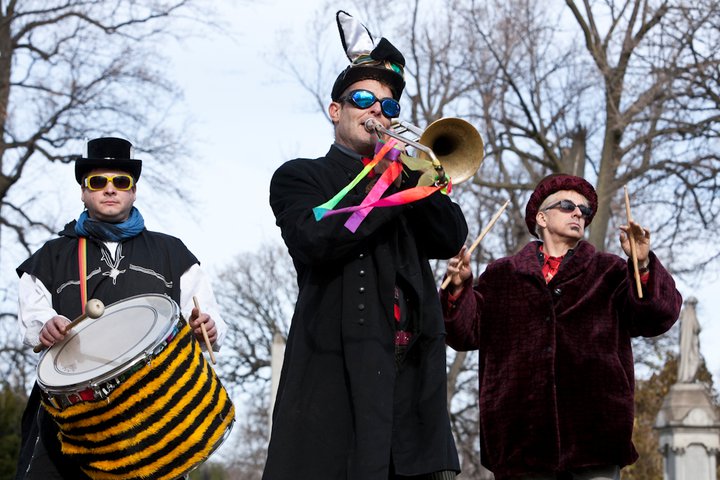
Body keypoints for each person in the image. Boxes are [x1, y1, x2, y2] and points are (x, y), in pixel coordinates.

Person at [263, 11, 467, 480]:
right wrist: (386, 184)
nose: (378, 112)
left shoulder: (407, 179)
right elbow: (315, 239)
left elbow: (450, 236)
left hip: (409, 377)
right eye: (363, 100)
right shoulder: (300, 176)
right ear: (336, 110)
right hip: (335, 373)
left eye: (389, 106)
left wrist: (415, 172)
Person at [441, 174, 682, 480]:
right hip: (519, 444)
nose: (579, 212)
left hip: (595, 441)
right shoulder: (501, 275)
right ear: (541, 217)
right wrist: (457, 290)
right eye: (568, 205)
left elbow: (658, 316)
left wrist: (642, 264)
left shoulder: (609, 271)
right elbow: (463, 333)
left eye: (585, 210)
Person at [15, 137, 227, 480]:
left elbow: (208, 316)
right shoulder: (50, 256)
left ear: (133, 191)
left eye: (121, 182)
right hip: (71, 415)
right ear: (84, 192)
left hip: (151, 410)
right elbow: (32, 316)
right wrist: (45, 325)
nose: (110, 190)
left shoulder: (173, 253)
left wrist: (207, 326)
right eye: (98, 182)